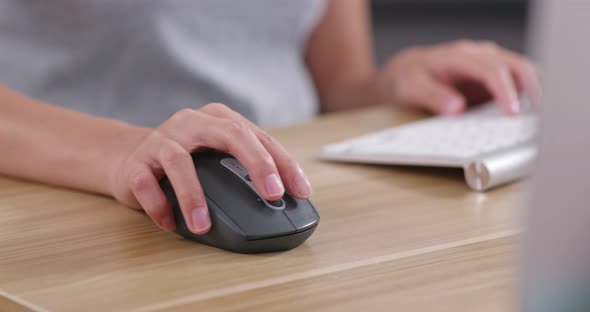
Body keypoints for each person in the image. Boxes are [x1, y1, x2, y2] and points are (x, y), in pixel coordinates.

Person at [0, 0, 540, 235]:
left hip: (290, 182)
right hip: (70, 198)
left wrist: (394, 84)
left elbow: (336, 82)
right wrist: (120, 150)